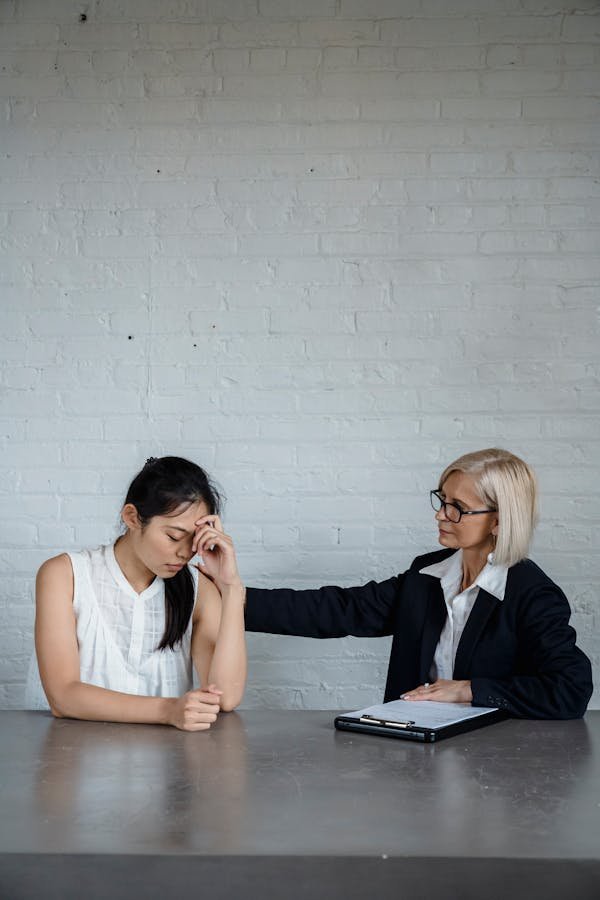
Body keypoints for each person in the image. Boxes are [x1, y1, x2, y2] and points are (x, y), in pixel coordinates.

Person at [243, 448, 592, 719]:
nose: (441, 514)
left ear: (498, 522)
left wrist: (469, 690)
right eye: (442, 500)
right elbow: (340, 609)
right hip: (416, 759)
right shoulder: (426, 575)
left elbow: (570, 690)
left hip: (495, 767)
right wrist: (230, 599)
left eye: (457, 507)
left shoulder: (531, 593)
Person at [27, 456, 246, 731]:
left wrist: (232, 588)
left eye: (195, 540)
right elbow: (63, 697)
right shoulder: (64, 575)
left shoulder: (199, 588)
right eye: (174, 537)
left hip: (166, 765)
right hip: (74, 760)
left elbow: (224, 697)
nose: (185, 552)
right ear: (132, 517)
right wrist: (168, 710)